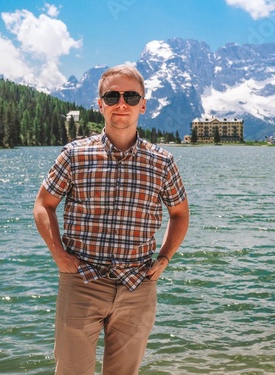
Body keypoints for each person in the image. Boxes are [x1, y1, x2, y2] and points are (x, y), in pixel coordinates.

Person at [33, 64, 189, 375]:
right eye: (112, 96)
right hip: (82, 280)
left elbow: (180, 213)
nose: (121, 104)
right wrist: (59, 257)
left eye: (131, 96)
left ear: (143, 105)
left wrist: (165, 258)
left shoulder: (162, 162)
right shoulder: (74, 155)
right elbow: (43, 205)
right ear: (100, 103)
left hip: (138, 284)